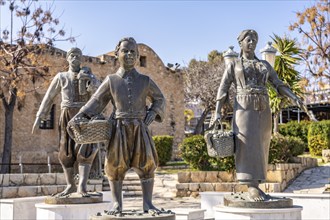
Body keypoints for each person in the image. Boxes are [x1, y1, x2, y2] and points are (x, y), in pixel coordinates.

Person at [74, 37, 165, 214]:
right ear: (117, 54)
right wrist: (80, 116)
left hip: (140, 127)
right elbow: (96, 101)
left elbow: (159, 98)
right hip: (118, 128)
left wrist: (153, 112)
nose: (129, 54)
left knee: (147, 164)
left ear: (138, 56)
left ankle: (148, 204)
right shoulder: (111, 80)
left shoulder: (145, 80)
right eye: (125, 51)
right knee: (115, 165)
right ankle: (117, 204)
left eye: (133, 52)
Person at [214, 29, 304, 201]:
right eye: (249, 39)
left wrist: (294, 97)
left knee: (262, 146)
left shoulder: (264, 65)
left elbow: (278, 83)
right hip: (243, 108)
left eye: (255, 40)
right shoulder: (233, 65)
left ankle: (257, 185)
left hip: (264, 108)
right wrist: (217, 112)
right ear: (240, 43)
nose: (252, 42)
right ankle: (251, 186)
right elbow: (223, 88)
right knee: (246, 145)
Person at [32, 48, 100, 197]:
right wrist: (39, 116)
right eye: (72, 55)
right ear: (67, 58)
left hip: (84, 116)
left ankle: (82, 187)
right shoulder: (61, 77)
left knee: (86, 150)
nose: (75, 58)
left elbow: (99, 91)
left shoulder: (89, 75)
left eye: (78, 56)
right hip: (67, 116)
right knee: (66, 150)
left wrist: (91, 80)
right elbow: (49, 97)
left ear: (81, 59)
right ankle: (70, 185)